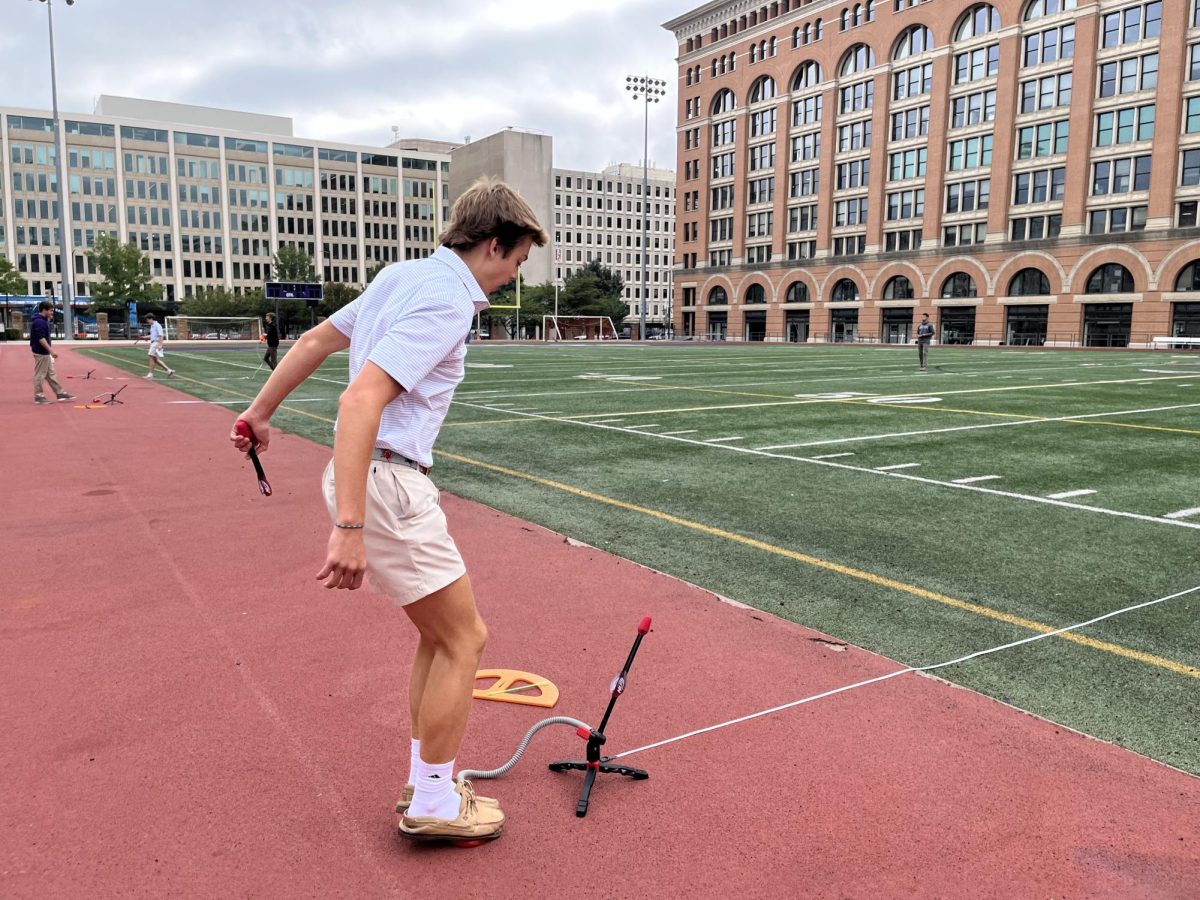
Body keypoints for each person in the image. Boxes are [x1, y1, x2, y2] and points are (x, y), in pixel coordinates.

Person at [229, 177, 547, 844]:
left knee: (440, 636)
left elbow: (317, 341)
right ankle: (432, 801)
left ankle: (427, 784)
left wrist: (260, 412)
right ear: (494, 244)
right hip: (387, 481)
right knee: (465, 639)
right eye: (515, 263)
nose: (510, 279)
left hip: (374, 478)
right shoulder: (446, 302)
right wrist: (349, 528)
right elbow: (359, 401)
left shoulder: (401, 276)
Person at [30, 300, 75, 404]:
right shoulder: (39, 322)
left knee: (51, 374)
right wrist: (51, 351)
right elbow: (41, 338)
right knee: (40, 375)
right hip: (41, 353)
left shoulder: (43, 320)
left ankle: (60, 393)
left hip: (44, 353)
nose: (52, 312)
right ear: (44, 310)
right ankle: (39, 396)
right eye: (50, 310)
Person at [143, 314, 174, 378]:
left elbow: (161, 335)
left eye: (148, 320)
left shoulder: (157, 325)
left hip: (156, 343)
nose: (147, 322)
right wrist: (145, 337)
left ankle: (150, 374)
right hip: (153, 343)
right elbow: (153, 335)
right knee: (155, 359)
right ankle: (169, 371)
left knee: (151, 357)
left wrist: (160, 345)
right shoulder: (152, 326)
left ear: (151, 318)